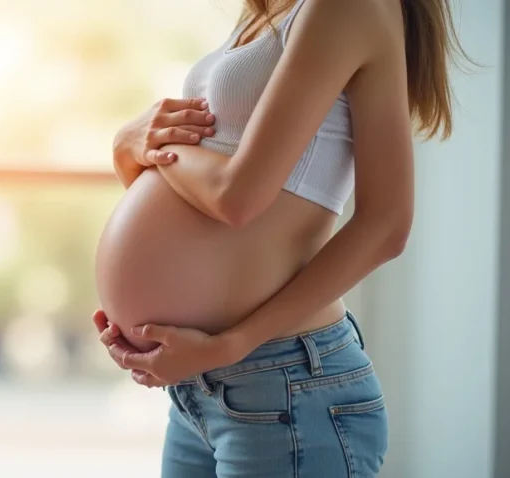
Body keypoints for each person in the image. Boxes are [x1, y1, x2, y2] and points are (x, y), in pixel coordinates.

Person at [92, 0, 470, 476]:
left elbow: (240, 198)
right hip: (200, 387)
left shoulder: (344, 8)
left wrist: (145, 143)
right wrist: (129, 154)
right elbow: (197, 198)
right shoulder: (269, 10)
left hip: (284, 386)